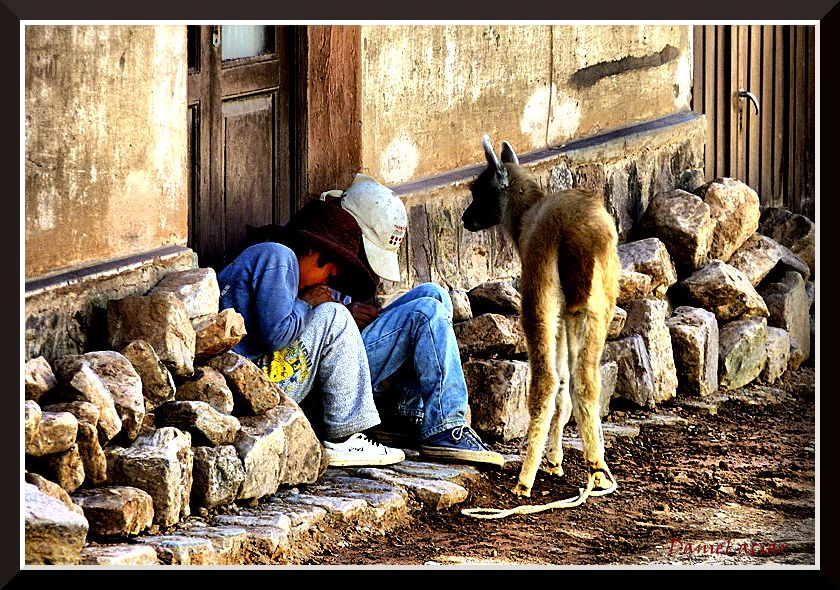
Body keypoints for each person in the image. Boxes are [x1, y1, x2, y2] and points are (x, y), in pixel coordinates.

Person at [321, 173, 504, 468]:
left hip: (350, 354)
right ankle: (446, 425)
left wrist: (356, 316)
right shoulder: (309, 251)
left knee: (434, 295)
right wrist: (344, 316)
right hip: (330, 370)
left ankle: (402, 414)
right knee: (424, 314)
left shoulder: (348, 260)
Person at [216, 199, 405, 468]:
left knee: (334, 311)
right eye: (329, 269)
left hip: (249, 380)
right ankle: (343, 437)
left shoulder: (272, 258)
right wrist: (307, 303)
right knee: (334, 316)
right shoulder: (279, 257)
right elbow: (275, 335)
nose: (329, 278)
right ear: (310, 249)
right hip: (253, 380)